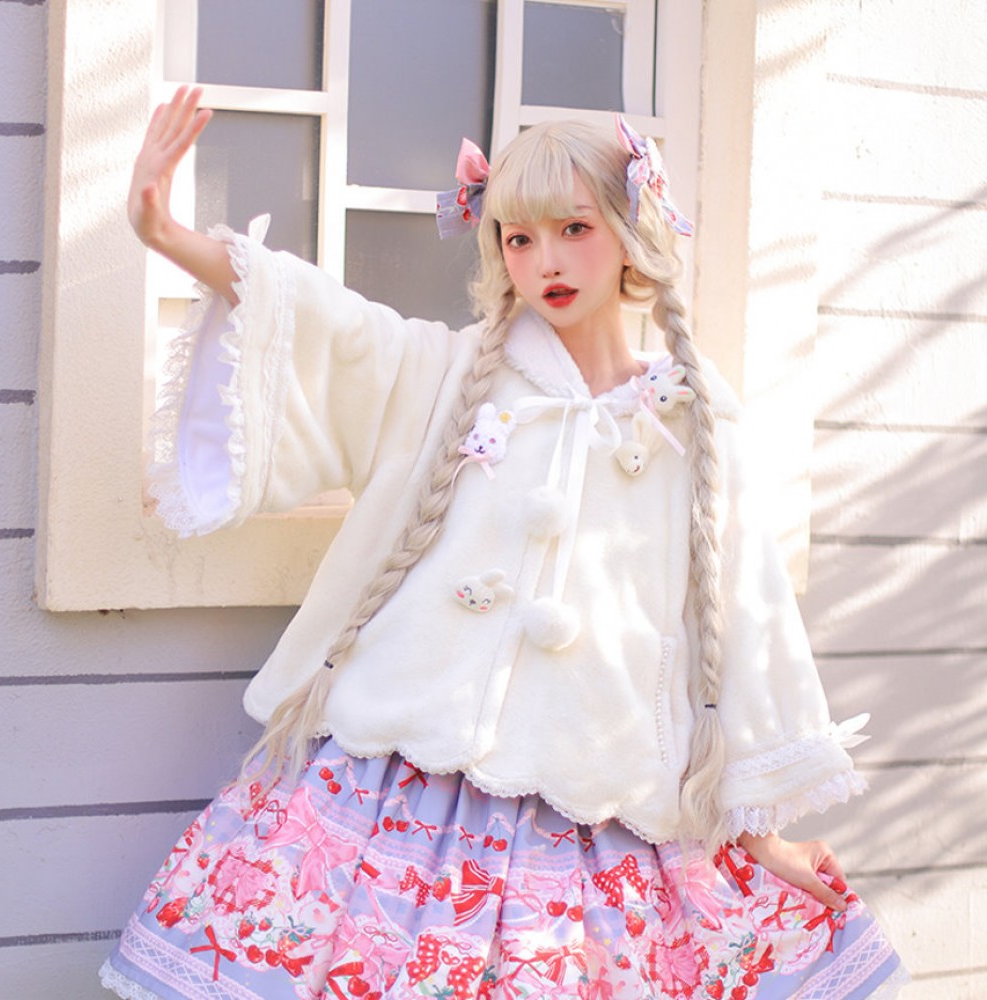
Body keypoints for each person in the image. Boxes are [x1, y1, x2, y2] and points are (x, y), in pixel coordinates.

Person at [101, 87, 906, 1000]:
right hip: (405, 785)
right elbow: (326, 322)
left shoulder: (692, 419)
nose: (546, 260)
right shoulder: (448, 374)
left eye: (574, 229)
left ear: (630, 231)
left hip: (597, 804)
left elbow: (740, 618)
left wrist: (763, 830)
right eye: (519, 239)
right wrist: (164, 232)